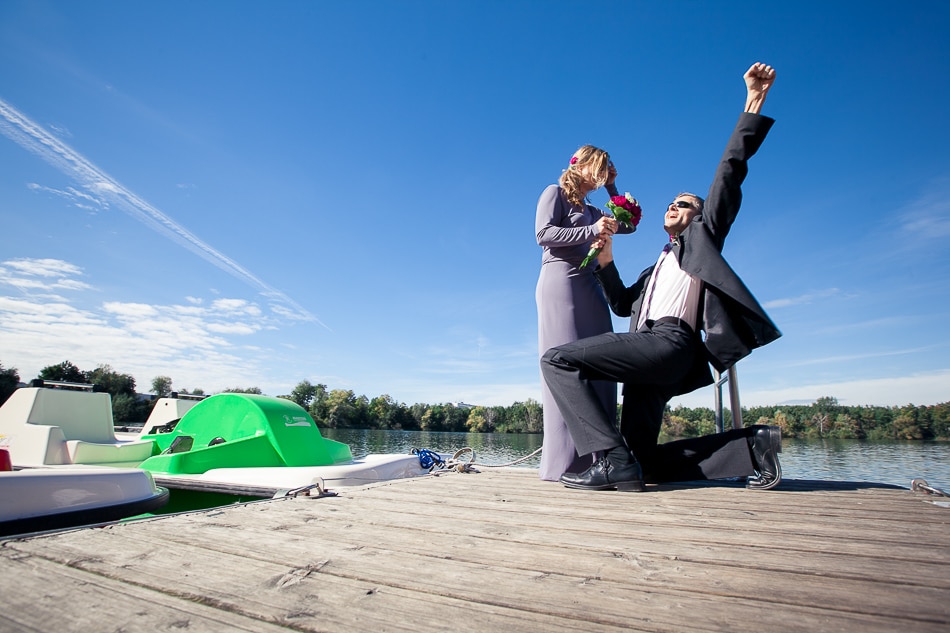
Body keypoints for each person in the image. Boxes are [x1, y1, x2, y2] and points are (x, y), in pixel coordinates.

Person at [540, 62, 783, 492]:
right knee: (643, 462)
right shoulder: (655, 270)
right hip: (648, 364)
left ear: (701, 216)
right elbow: (619, 304)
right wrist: (607, 260)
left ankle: (611, 459)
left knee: (556, 359)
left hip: (672, 345)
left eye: (686, 203)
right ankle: (752, 446)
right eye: (672, 202)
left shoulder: (702, 241)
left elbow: (730, 169)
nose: (676, 205)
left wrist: (753, 102)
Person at [535, 146, 636, 481]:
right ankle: (565, 462)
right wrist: (591, 231)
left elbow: (630, 225)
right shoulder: (555, 194)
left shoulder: (594, 208)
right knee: (565, 366)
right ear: (581, 165)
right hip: (562, 284)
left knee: (599, 367)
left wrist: (612, 189)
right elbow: (544, 234)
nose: (604, 172)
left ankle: (603, 460)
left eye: (608, 169)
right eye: (601, 168)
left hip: (592, 289)